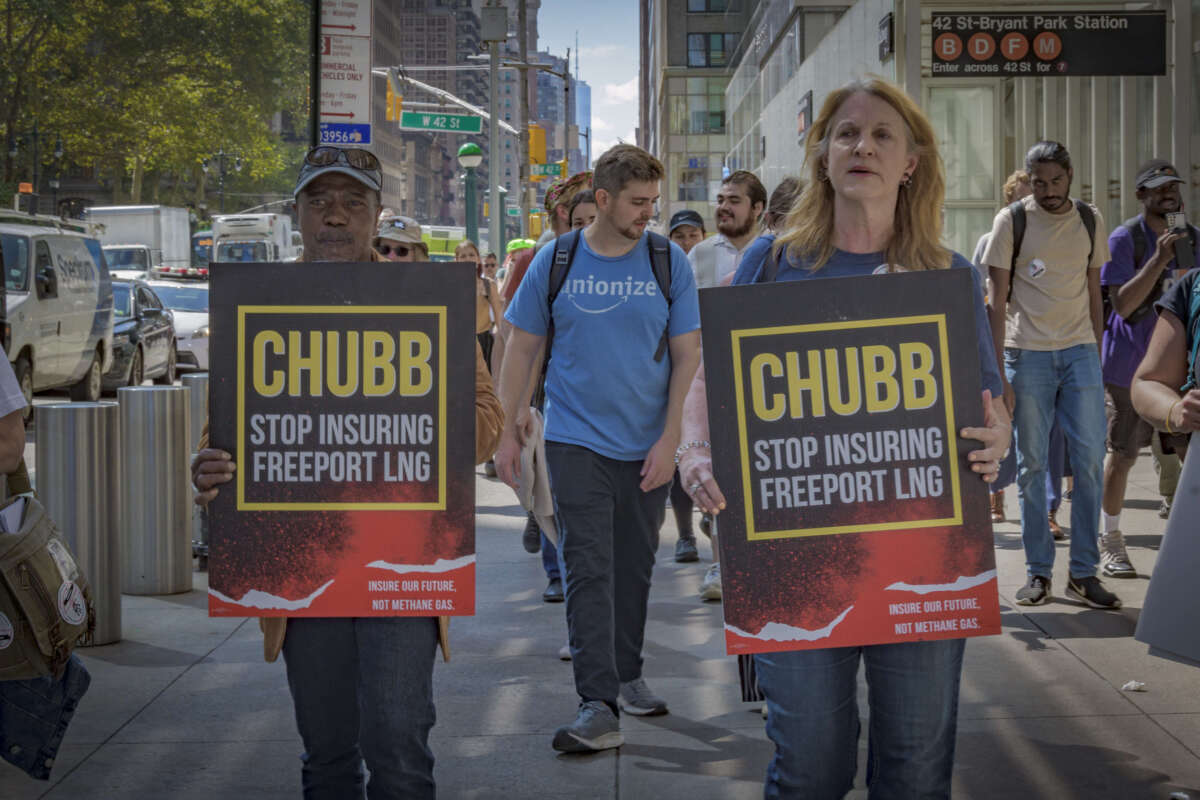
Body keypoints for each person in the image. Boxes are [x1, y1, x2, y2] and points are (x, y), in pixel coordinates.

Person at [681, 77, 1009, 798]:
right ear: (822, 156)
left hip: (920, 558)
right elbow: (711, 378)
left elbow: (991, 406)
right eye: (846, 133)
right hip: (791, 558)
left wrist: (997, 438)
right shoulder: (769, 263)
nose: (862, 145)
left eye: (882, 134)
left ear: (911, 162)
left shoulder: (947, 276)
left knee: (917, 770)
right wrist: (695, 452)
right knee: (809, 768)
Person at [191, 145, 504, 799]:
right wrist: (209, 471)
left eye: (353, 201)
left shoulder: (426, 302)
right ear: (296, 212)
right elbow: (221, 441)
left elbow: (486, 423)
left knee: (398, 744)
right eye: (320, 200)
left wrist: (422, 419)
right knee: (327, 751)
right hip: (301, 567)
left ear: (377, 216)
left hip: (402, 561)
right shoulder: (260, 304)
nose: (336, 213)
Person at [496, 144, 701, 752]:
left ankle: (628, 674)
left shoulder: (668, 262)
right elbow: (522, 348)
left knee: (634, 568)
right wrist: (507, 430)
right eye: (637, 202)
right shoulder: (555, 260)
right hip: (574, 438)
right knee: (588, 568)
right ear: (604, 200)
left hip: (646, 445)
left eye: (653, 203)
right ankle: (596, 702)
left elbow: (689, 354)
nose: (647, 214)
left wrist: (672, 442)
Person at [984, 141, 1121, 610]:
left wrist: (1097, 355)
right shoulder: (1012, 221)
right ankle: (1038, 573)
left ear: (1070, 175)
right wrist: (999, 372)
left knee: (1087, 464)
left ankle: (1083, 573)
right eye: (1038, 182)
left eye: (1055, 181)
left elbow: (1093, 290)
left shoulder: (1089, 218)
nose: (1047, 191)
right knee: (1032, 466)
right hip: (1027, 355)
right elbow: (995, 300)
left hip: (1080, 351)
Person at [1099, 160, 1199, 577]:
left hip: (1178, 375)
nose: (1168, 194)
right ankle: (1112, 540)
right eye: (1158, 189)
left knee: (1184, 455)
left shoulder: (1191, 237)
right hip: (1130, 370)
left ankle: (1185, 544)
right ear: (1141, 195)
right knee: (1122, 455)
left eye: (1172, 187)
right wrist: (1159, 259)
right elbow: (1121, 304)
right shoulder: (1125, 238)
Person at [971, 170, 1032, 524]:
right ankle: (997, 497)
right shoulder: (990, 238)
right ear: (1008, 200)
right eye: (1019, 198)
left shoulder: (1044, 239)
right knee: (999, 413)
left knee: (1034, 432)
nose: (1025, 205)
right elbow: (978, 287)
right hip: (1000, 336)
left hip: (1031, 339)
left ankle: (1045, 507)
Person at [687, 170, 766, 290]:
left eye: (734, 201)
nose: (723, 207)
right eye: (720, 201)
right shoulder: (699, 254)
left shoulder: (774, 252)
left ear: (757, 208)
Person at [457, 239, 504, 373]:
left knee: (482, 387)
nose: (468, 259)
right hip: (458, 340)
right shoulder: (450, 284)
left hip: (483, 341)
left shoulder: (488, 284)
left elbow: (499, 317)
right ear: (457, 260)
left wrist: (501, 342)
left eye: (471, 255)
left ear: (478, 259)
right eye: (463, 256)